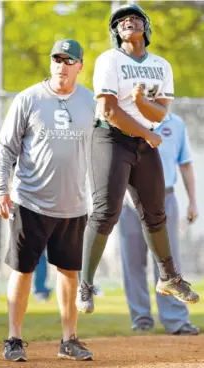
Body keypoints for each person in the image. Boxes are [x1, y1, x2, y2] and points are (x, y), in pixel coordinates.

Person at [76, 4, 199, 314]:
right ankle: (86, 285)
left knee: (156, 214)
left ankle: (169, 278)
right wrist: (146, 133)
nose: (127, 22)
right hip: (110, 138)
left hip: (144, 139)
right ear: (116, 32)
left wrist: (143, 102)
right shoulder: (110, 60)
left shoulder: (161, 65)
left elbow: (160, 112)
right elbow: (108, 110)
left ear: (145, 26)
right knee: (106, 211)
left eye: (133, 18)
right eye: (120, 21)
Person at [0, 38, 95, 362]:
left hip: (74, 203)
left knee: (69, 272)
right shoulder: (29, 99)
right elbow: (6, 150)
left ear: (80, 66)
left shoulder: (91, 102)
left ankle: (69, 340)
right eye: (56, 59)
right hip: (31, 201)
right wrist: (0, 190)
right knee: (22, 270)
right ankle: (14, 339)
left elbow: (104, 147)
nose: (61, 66)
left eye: (68, 60)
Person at [117, 112, 199, 335]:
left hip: (165, 198)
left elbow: (186, 165)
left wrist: (193, 202)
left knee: (169, 262)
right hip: (129, 202)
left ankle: (176, 320)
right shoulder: (124, 118)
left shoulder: (177, 124)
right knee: (132, 262)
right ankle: (141, 318)